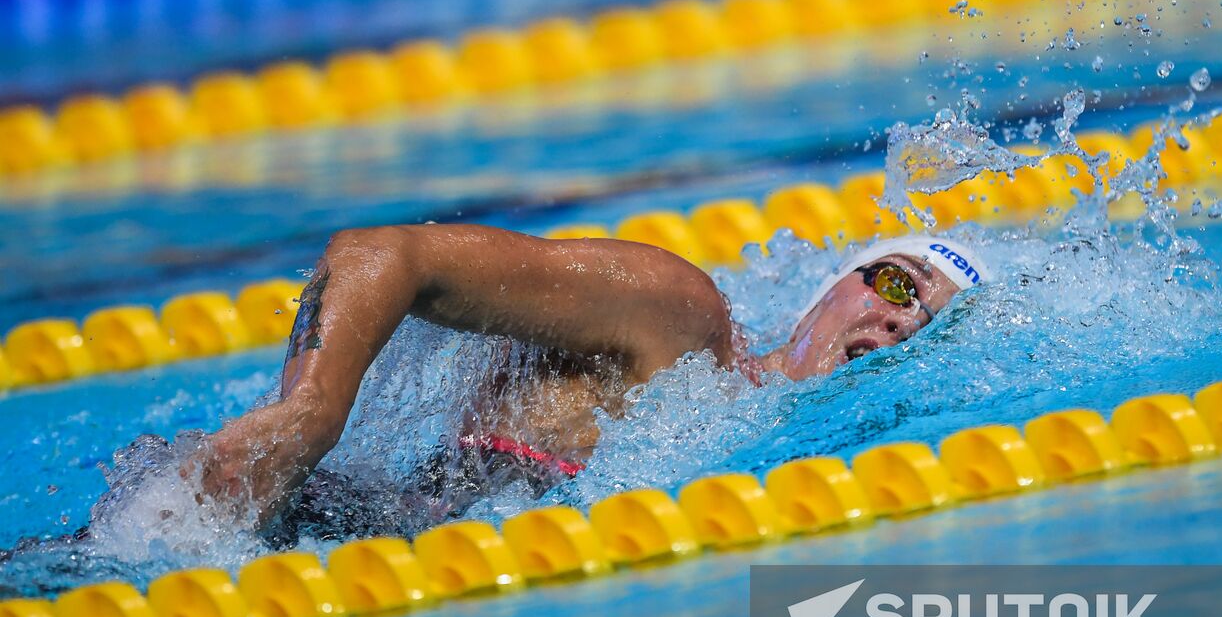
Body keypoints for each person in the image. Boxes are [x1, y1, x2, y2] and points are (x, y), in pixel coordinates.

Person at [184, 223, 988, 538]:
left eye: (933, 321)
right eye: (896, 283)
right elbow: (383, 255)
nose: (907, 320)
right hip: (252, 525)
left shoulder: (796, 476)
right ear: (835, 285)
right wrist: (312, 413)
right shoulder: (679, 319)